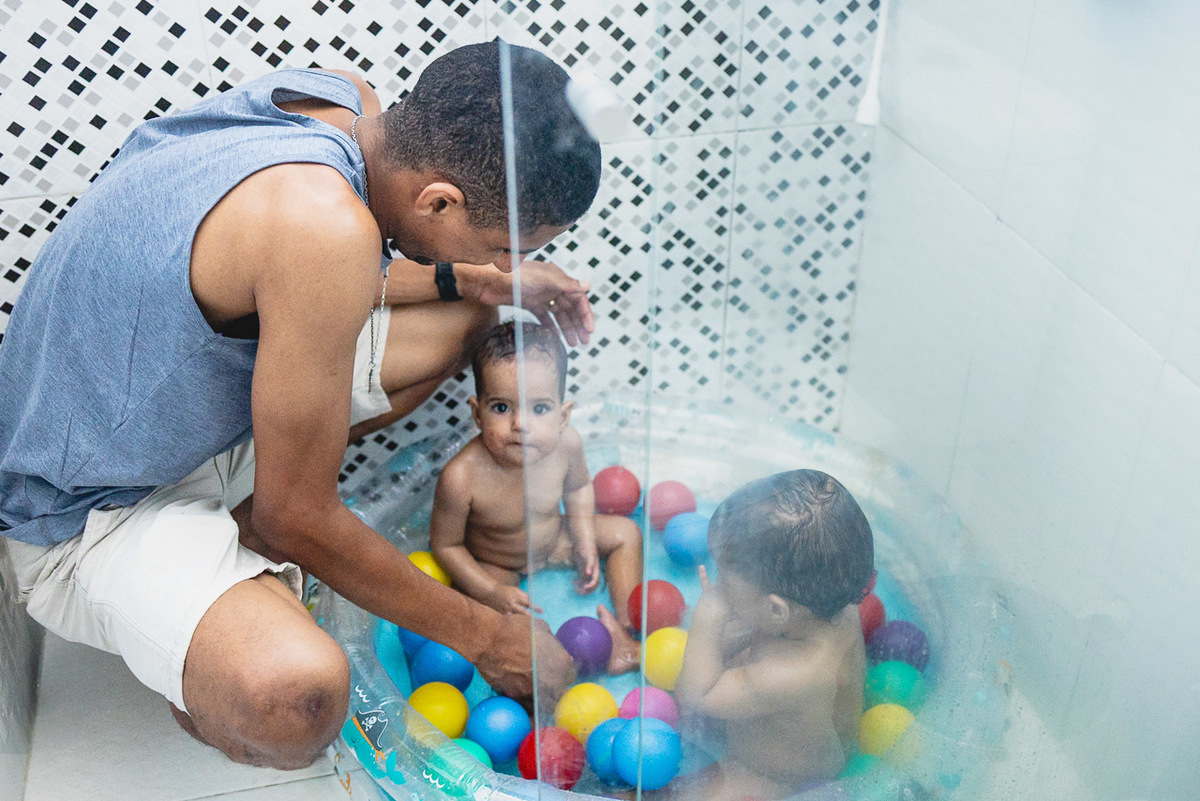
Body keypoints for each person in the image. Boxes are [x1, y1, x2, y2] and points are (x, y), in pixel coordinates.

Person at [0, 41, 600, 770]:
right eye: (506, 246)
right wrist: (484, 635)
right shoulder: (326, 230)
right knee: (299, 697)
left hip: (160, 420)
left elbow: (298, 272)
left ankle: (231, 541)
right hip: (82, 506)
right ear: (439, 199)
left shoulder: (336, 100)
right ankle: (200, 652)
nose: (508, 263)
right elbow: (299, 516)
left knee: (472, 312)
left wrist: (477, 282)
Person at [429, 321, 643, 673]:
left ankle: (623, 632)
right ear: (476, 412)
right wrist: (491, 591)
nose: (520, 424)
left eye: (539, 409)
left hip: (552, 539)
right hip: (496, 562)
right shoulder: (461, 476)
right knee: (475, 611)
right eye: (501, 407)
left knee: (626, 534)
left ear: (563, 415)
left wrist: (584, 539)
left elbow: (577, 489)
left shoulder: (567, 444)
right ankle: (546, 663)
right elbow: (447, 547)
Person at [674, 470, 875, 800]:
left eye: (726, 578)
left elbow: (696, 699)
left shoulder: (787, 675)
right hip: (825, 741)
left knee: (679, 795)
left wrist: (708, 616)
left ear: (777, 610)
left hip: (775, 777)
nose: (719, 584)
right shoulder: (833, 606)